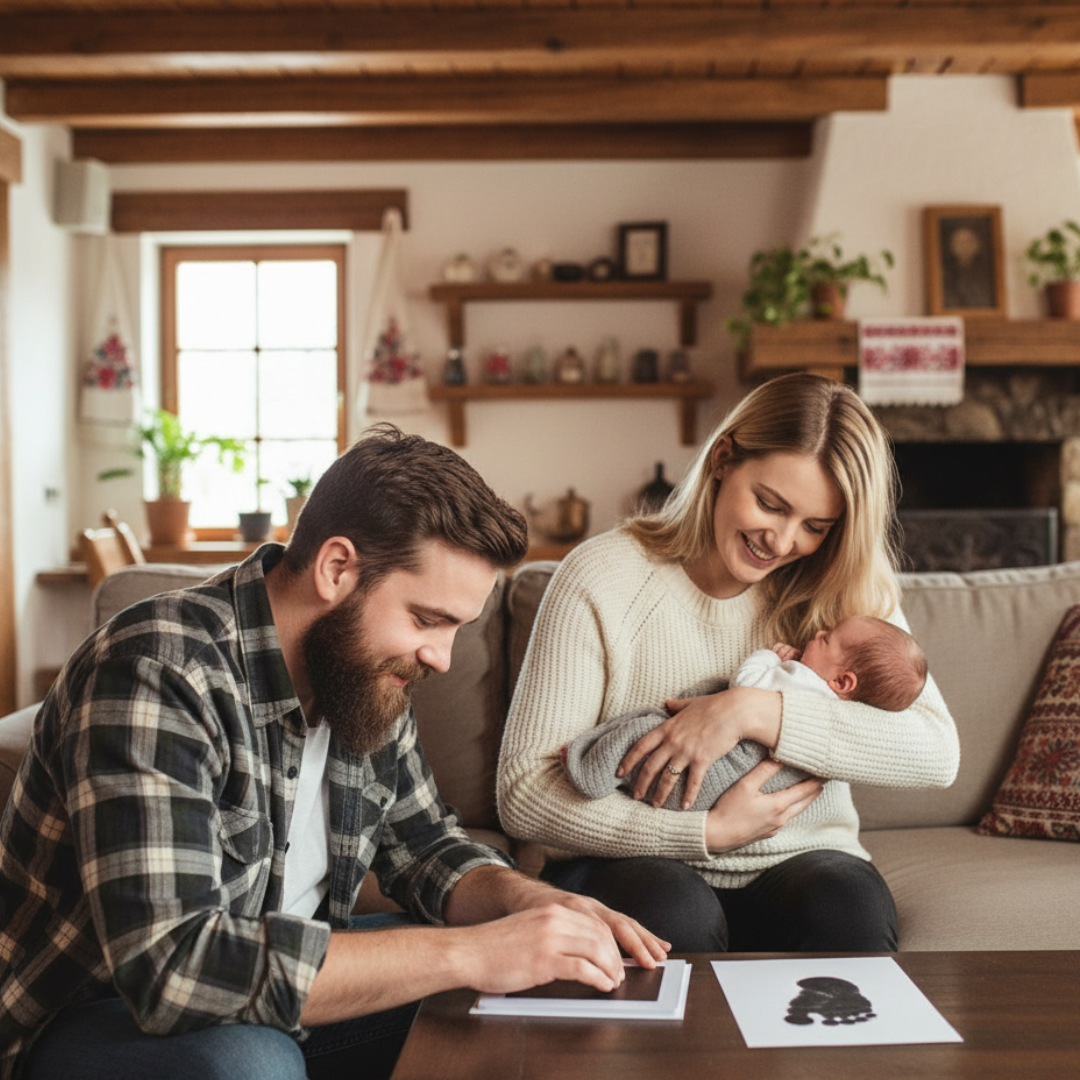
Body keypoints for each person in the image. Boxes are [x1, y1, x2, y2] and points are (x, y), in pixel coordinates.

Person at [0, 425, 668, 1080]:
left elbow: (429, 852)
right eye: (427, 619)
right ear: (336, 567)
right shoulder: (158, 668)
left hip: (280, 989)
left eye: (456, 628)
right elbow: (175, 968)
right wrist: (471, 953)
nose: (441, 657)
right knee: (249, 1063)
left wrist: (530, 907)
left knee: (540, 987)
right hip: (99, 1013)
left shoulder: (361, 680)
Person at [497, 372, 959, 955]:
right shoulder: (603, 577)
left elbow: (936, 753)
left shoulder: (845, 594)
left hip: (799, 861)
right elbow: (523, 792)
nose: (783, 541)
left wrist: (750, 710)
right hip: (634, 860)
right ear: (722, 459)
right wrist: (705, 832)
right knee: (673, 913)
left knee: (847, 912)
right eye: (770, 503)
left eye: (816, 526)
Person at [562, 616, 929, 811]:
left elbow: (745, 684)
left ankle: (587, 769)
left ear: (843, 682)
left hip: (712, 777)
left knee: (644, 731)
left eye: (827, 639)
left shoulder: (802, 681)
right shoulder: (837, 706)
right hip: (720, 798)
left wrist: (769, 657)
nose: (817, 631)